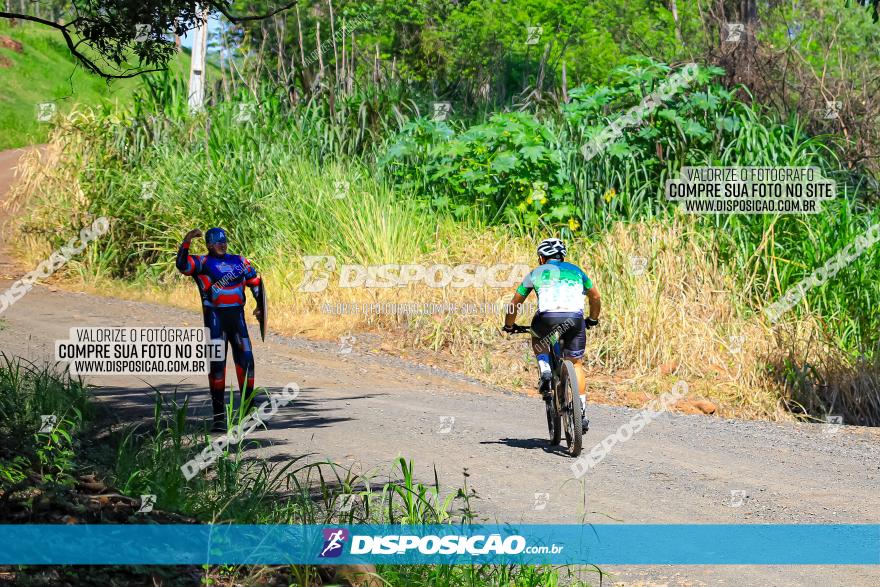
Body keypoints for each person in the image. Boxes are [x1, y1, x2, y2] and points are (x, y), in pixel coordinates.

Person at [502, 237, 600, 432]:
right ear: (562, 256)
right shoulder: (577, 271)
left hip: (547, 318)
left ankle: (545, 368)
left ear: (541, 258)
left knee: (537, 335)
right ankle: (581, 412)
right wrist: (593, 319)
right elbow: (595, 296)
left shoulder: (535, 273)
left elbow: (515, 303)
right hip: (575, 319)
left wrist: (509, 325)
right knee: (576, 363)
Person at [176, 227, 263, 431]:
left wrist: (260, 306)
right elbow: (181, 264)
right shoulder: (202, 263)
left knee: (247, 363)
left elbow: (255, 282)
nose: (222, 245)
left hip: (238, 321)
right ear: (208, 245)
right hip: (215, 321)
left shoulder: (240, 261)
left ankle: (249, 413)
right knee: (217, 368)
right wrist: (187, 240)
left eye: (224, 241)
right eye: (217, 242)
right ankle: (218, 419)